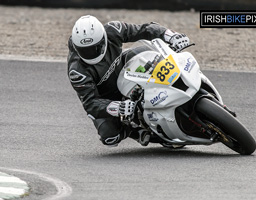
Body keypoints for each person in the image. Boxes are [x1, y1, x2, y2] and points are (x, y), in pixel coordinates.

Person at [67, 15, 189, 147]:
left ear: (103, 39)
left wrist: (169, 35)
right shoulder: (77, 71)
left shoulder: (113, 30)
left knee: (150, 53)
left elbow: (143, 29)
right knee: (109, 137)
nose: (91, 54)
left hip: (125, 68)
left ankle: (181, 82)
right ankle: (137, 132)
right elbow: (90, 104)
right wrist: (117, 107)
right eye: (84, 50)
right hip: (107, 97)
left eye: (95, 48)